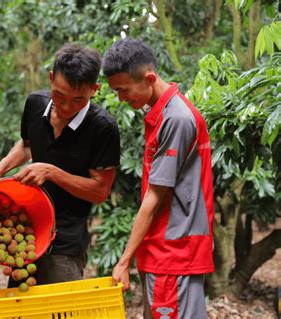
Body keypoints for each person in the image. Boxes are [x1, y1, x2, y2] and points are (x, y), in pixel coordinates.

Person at [0, 43, 120, 285]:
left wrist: (51, 172)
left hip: (65, 245)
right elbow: (26, 145)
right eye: (59, 95)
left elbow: (100, 191)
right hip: (26, 233)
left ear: (94, 90)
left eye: (78, 100)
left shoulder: (103, 128)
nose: (66, 107)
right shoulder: (35, 104)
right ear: (51, 78)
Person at [103, 38, 214, 318]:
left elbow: (155, 196)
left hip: (173, 253)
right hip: (162, 253)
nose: (121, 99)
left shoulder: (176, 119)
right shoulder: (163, 114)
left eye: (123, 90)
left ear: (149, 78)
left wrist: (123, 260)